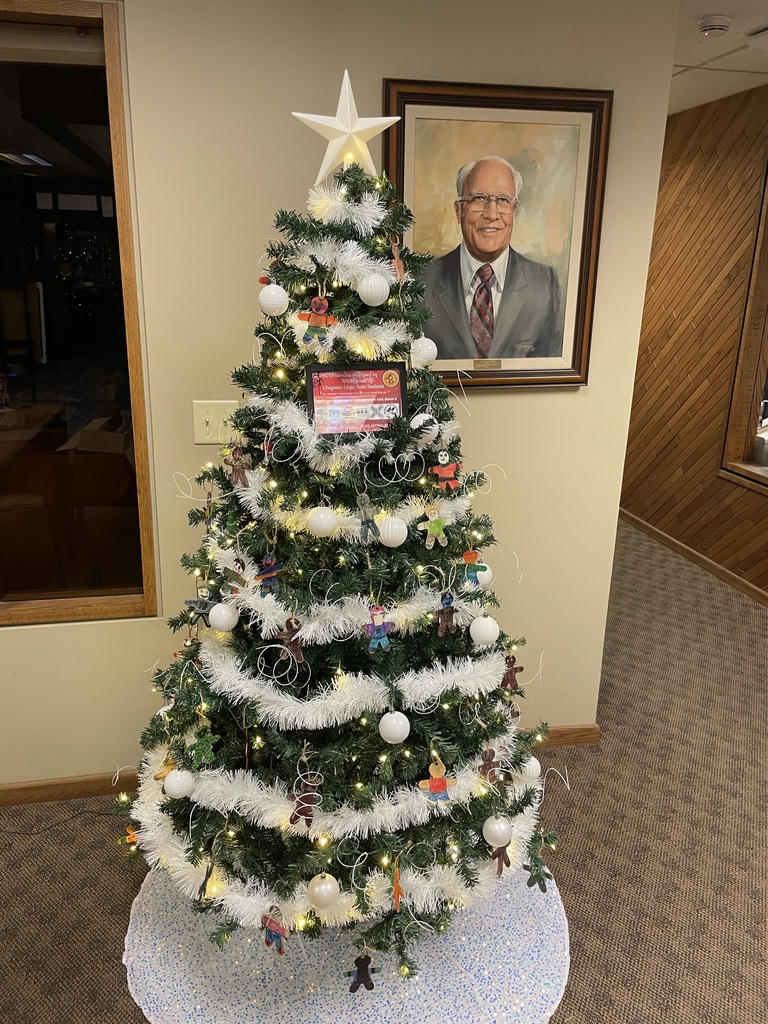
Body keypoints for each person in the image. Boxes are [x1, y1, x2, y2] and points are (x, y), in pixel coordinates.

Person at [421, 156, 563, 360]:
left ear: (514, 210)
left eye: (504, 200)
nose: (492, 214)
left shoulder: (544, 284)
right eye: (478, 198)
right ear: (459, 210)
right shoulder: (422, 281)